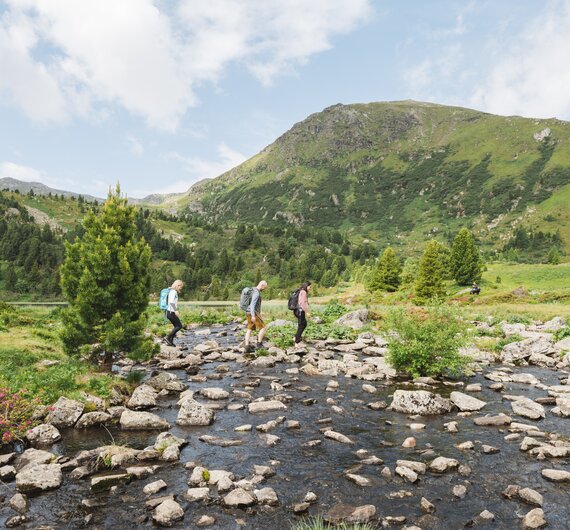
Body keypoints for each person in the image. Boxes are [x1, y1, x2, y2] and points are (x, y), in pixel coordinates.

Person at [244, 280, 268, 353]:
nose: (264, 289)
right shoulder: (256, 293)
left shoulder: (252, 290)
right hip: (253, 312)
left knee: (249, 329)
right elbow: (252, 305)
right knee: (263, 328)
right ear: (262, 285)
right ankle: (259, 345)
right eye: (264, 288)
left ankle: (247, 347)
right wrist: (253, 316)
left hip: (248, 312)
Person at [164, 279, 184, 346]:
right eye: (181, 287)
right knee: (179, 326)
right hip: (171, 312)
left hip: (169, 312)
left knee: (176, 326)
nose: (181, 288)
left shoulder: (171, 291)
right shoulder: (173, 292)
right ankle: (167, 337)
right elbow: (171, 302)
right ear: (178, 285)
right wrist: (175, 310)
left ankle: (170, 342)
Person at [294, 281, 311, 347]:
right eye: (309, 286)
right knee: (302, 325)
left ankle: (296, 337)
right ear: (306, 286)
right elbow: (302, 303)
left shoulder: (300, 291)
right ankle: (297, 342)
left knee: (303, 324)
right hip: (301, 311)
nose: (310, 288)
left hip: (297, 311)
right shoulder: (303, 292)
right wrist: (306, 312)